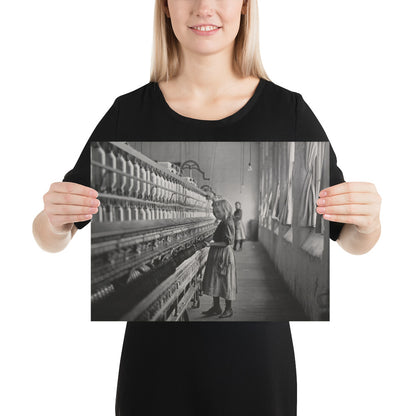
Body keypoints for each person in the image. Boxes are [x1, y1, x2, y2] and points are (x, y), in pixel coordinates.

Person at [32, 1, 382, 415]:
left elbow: (351, 240)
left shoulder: (288, 113)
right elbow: (51, 236)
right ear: (165, 8)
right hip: (155, 376)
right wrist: (54, 222)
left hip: (256, 375)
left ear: (245, 8)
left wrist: (368, 222)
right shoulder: (129, 113)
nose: (204, 7)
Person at [201, 199, 237, 318]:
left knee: (225, 281)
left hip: (223, 255)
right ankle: (216, 307)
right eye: (214, 212)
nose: (215, 214)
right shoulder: (223, 221)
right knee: (215, 280)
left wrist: (210, 244)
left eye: (218, 212)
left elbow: (227, 242)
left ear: (225, 210)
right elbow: (218, 236)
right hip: (218, 254)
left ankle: (228, 309)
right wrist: (208, 239)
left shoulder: (227, 222)